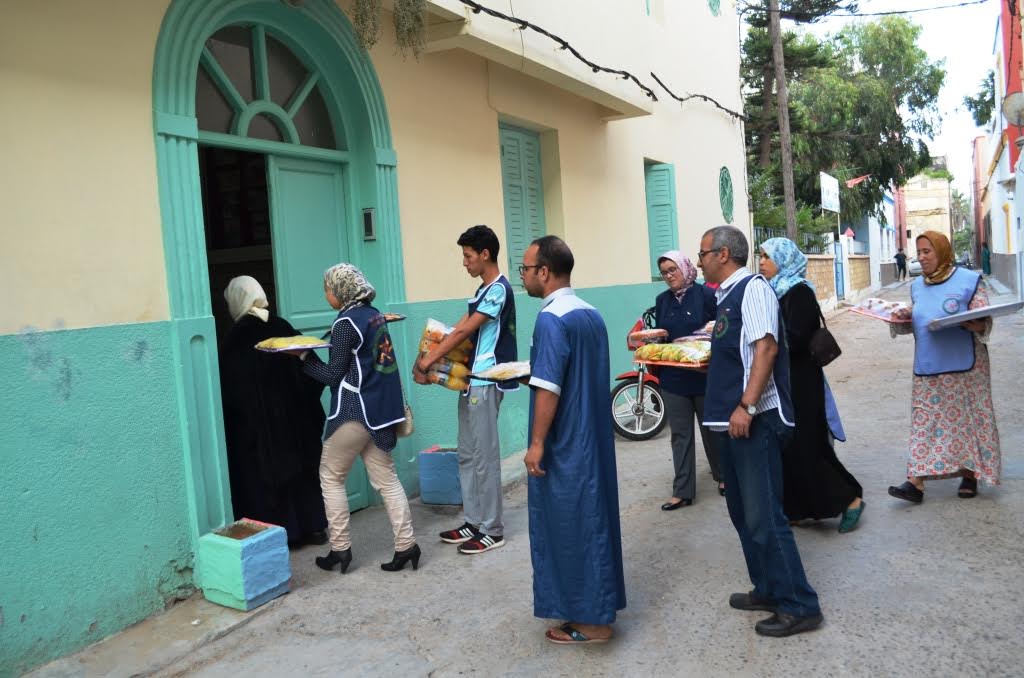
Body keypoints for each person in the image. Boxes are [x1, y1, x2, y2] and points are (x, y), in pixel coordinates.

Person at [698, 225, 823, 638]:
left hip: (754, 418)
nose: (699, 262)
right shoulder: (726, 294)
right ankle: (768, 588)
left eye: (703, 254)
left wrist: (747, 406)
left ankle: (799, 604)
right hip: (731, 421)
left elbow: (765, 348)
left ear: (723, 254)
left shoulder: (752, 289)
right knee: (742, 513)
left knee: (764, 516)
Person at [520, 236, 626, 645]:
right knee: (593, 519)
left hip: (565, 442)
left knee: (569, 524)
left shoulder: (551, 319)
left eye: (526, 269)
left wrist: (537, 443)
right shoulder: (590, 313)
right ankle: (595, 607)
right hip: (591, 438)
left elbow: (549, 387)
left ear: (544, 272)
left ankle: (593, 621)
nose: (523, 276)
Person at [298, 264, 419, 574]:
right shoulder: (374, 315)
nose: (326, 294)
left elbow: (332, 375)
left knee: (330, 476)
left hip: (353, 410)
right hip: (380, 411)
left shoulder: (345, 323)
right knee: (388, 480)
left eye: (327, 289)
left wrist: (303, 358)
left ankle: (340, 550)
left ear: (341, 291)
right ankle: (407, 546)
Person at [414, 225, 518, 554]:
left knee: (485, 458)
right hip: (471, 382)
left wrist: (429, 360)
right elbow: (459, 327)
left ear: (485, 254)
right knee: (469, 456)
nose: (465, 262)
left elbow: (463, 333)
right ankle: (473, 521)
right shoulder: (483, 290)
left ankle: (492, 529)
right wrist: (428, 355)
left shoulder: (498, 290)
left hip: (486, 382)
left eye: (468, 256)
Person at [758, 238, 864, 533]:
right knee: (790, 446)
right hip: (784, 380)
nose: (762, 261)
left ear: (784, 259)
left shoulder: (799, 291)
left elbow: (797, 337)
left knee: (808, 445)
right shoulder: (774, 290)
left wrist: (764, 340)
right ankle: (796, 508)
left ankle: (850, 499)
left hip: (802, 381)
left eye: (767, 256)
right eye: (761, 256)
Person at [887, 231, 1000, 503]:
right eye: (919, 252)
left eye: (927, 251)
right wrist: (901, 317)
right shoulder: (917, 286)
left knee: (968, 421)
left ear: (942, 251)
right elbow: (918, 320)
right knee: (925, 422)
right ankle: (915, 482)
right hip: (928, 366)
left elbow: (984, 320)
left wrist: (975, 323)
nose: (922, 257)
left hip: (967, 369)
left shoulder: (970, 281)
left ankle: (970, 475)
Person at [218, 276, 328, 548]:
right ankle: (314, 527)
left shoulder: (236, 338)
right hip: (296, 423)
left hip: (262, 430)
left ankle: (285, 535)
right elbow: (312, 371)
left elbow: (232, 392)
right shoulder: (283, 326)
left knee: (267, 477)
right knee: (303, 473)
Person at [652, 251, 722, 509]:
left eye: (673, 270)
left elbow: (720, 330)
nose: (669, 276)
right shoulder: (662, 301)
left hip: (703, 376)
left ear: (685, 268)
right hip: (674, 379)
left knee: (712, 432)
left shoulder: (707, 296)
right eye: (664, 273)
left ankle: (723, 477)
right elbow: (663, 337)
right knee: (680, 435)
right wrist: (653, 340)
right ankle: (682, 490)